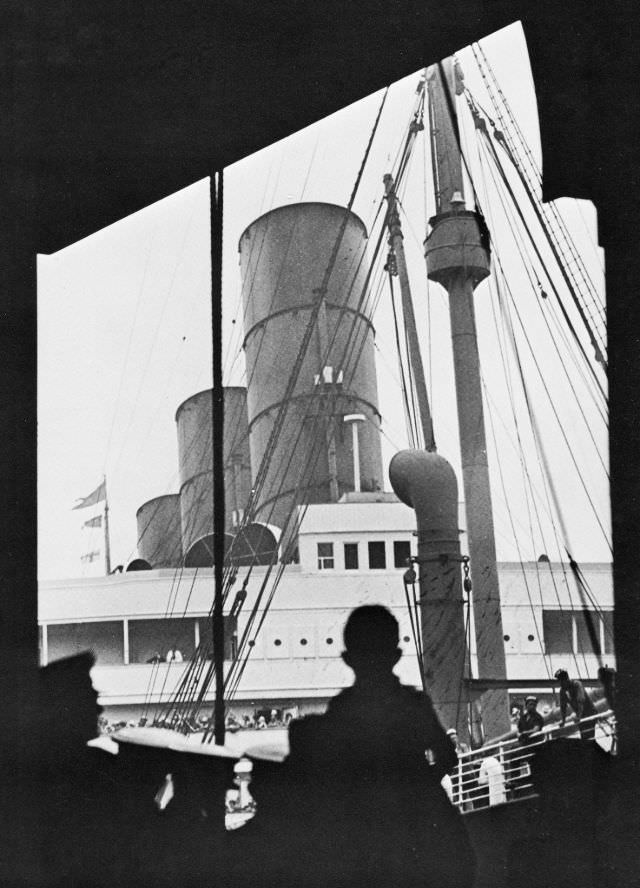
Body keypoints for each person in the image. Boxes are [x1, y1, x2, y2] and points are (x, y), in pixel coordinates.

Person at [266, 605, 476, 888]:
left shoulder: (341, 710)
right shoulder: (414, 704)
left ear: (348, 658)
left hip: (363, 828)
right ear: (396, 656)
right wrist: (418, 784)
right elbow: (448, 756)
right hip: (422, 824)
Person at [555, 669, 597, 739]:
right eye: (559, 681)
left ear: (566, 679)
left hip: (590, 713)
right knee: (584, 738)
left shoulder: (577, 684)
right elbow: (563, 707)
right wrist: (563, 721)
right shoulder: (563, 690)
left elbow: (581, 701)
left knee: (589, 737)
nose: (560, 684)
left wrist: (579, 716)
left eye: (562, 681)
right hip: (581, 717)